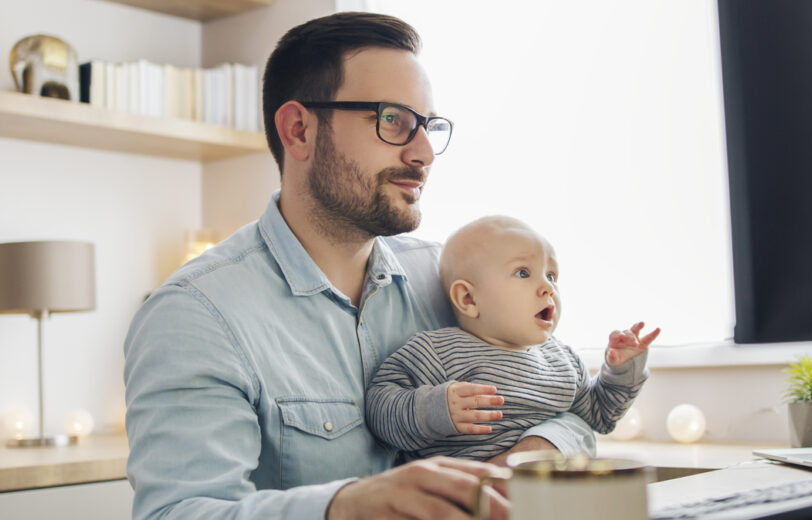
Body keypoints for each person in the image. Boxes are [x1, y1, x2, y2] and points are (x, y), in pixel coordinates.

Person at [122, 12, 596, 520]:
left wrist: (531, 454)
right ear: (299, 129)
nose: (423, 152)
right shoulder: (195, 316)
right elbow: (179, 513)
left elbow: (571, 407)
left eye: (428, 126)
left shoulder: (449, 280)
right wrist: (344, 507)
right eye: (392, 120)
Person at [365, 216, 659, 461]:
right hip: (459, 502)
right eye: (523, 272)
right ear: (468, 298)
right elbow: (379, 407)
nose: (547, 287)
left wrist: (622, 370)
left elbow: (600, 416)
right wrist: (434, 408)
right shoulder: (436, 352)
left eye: (552, 276)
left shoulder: (564, 361)